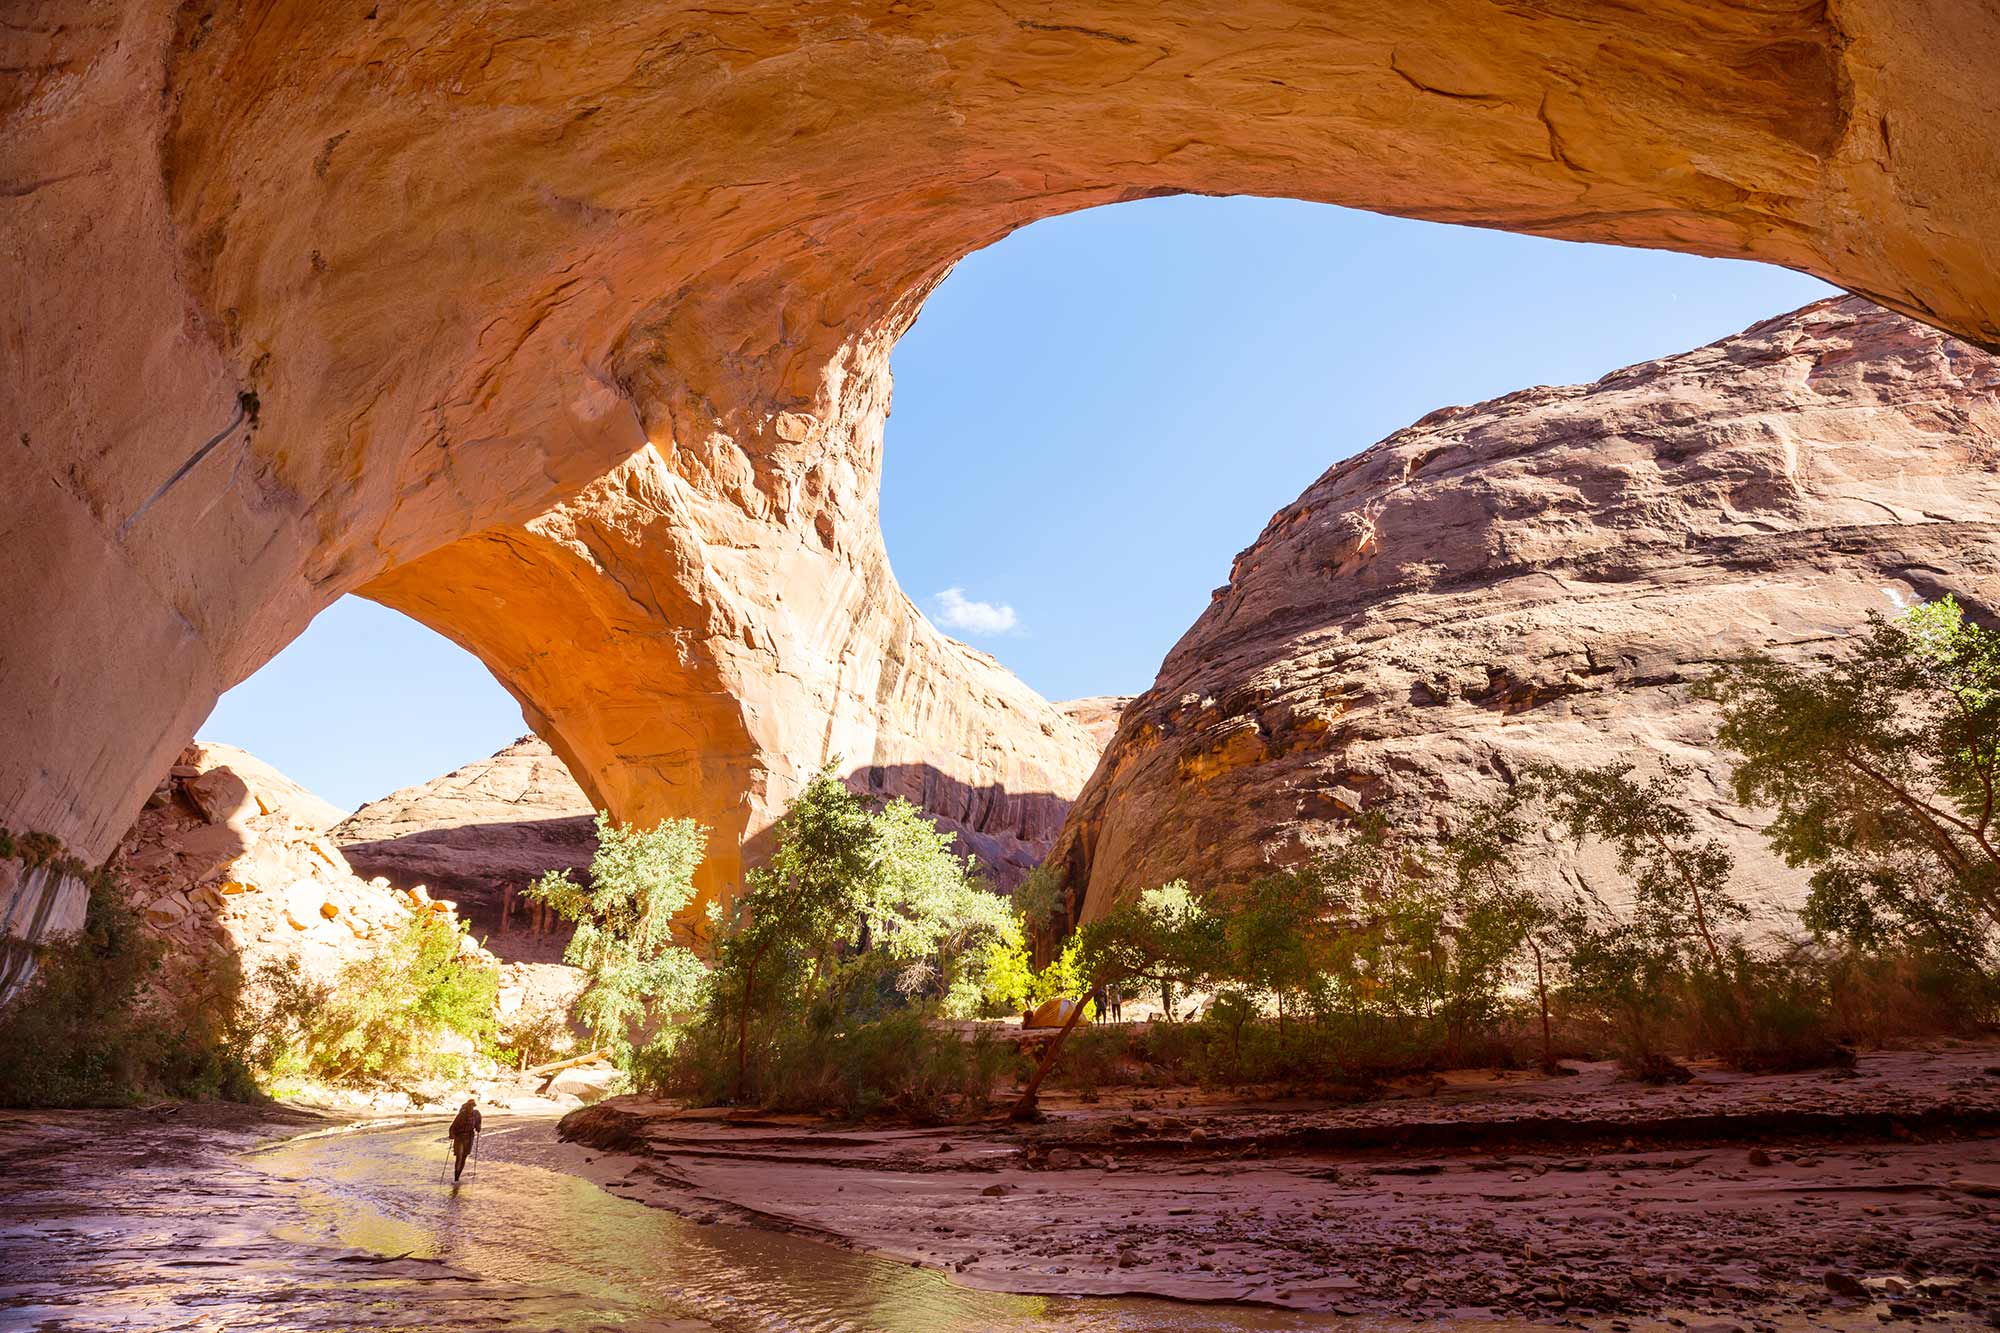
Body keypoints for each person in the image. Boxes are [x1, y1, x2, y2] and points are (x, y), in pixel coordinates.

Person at [448, 1097, 482, 1182]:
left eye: (472, 1106)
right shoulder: (461, 1115)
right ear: (466, 1106)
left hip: (469, 1138)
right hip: (459, 1137)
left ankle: (458, 1176)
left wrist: (478, 1128)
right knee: (459, 1157)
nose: (470, 1107)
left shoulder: (476, 1114)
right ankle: (456, 1177)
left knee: (464, 1157)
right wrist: (451, 1134)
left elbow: (478, 1126)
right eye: (469, 1106)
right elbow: (453, 1126)